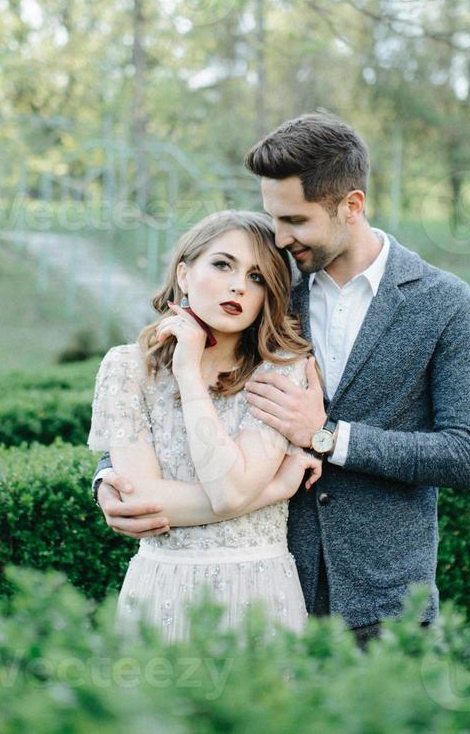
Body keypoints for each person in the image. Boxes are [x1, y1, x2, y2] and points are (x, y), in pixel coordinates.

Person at [93, 112, 470, 649]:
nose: (279, 238)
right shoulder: (271, 297)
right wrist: (107, 476)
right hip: (274, 591)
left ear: (351, 206)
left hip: (386, 599)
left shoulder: (443, 303)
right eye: (273, 218)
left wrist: (329, 437)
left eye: (295, 221)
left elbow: (463, 456)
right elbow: (173, 393)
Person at [87, 209, 325, 643]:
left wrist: (190, 377)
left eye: (257, 278)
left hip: (261, 594)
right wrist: (271, 490)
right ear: (183, 273)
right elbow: (141, 499)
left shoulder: (281, 374)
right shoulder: (126, 368)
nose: (238, 285)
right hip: (160, 590)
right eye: (222, 264)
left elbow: (229, 489)